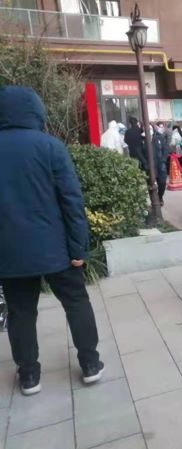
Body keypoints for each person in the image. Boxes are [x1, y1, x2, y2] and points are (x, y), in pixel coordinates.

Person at [0, 86, 104, 396]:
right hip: (57, 249)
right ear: (36, 111)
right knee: (76, 302)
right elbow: (71, 201)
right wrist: (79, 248)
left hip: (10, 253)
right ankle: (90, 363)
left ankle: (29, 375)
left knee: (21, 312)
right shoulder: (50, 147)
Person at [151, 122, 171, 205]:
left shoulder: (160, 137)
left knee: (162, 182)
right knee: (151, 183)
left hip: (160, 163)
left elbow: (166, 149)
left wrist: (163, 159)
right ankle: (154, 200)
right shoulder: (144, 139)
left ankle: (160, 197)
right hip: (150, 165)